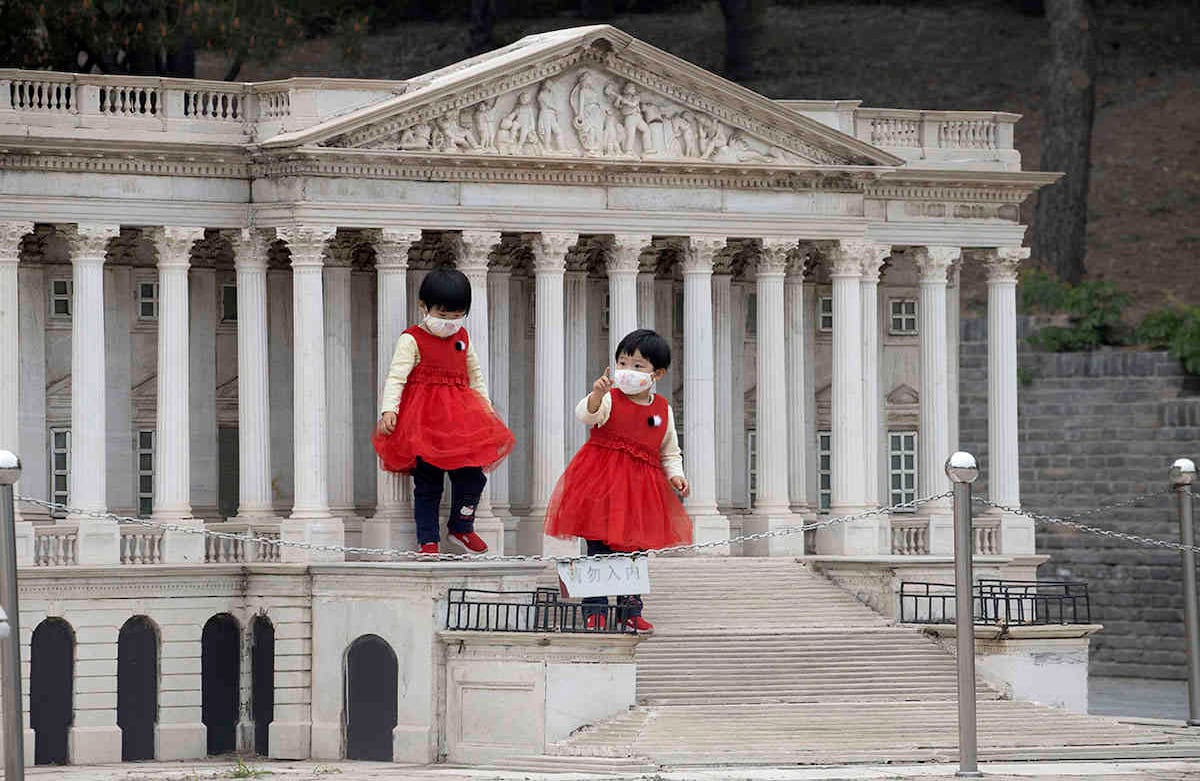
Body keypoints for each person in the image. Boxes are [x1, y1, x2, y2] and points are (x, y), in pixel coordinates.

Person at [545, 329, 692, 633]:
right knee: (598, 548)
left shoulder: (662, 409)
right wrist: (597, 393)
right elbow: (586, 415)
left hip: (640, 490)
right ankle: (595, 610)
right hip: (601, 483)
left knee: (634, 552)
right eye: (623, 363)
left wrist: (676, 475)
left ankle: (630, 610)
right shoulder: (610, 399)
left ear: (657, 373)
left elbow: (669, 450)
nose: (628, 371)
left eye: (638, 366)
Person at [372, 268, 515, 555]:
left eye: (456, 315)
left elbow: (475, 376)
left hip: (461, 421)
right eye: (443, 314)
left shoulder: (462, 338)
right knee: (428, 483)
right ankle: (428, 540)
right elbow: (396, 376)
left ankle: (462, 526)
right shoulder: (411, 339)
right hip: (424, 422)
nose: (449, 322)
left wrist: (485, 410)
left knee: (472, 477)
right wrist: (390, 409)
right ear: (423, 307)